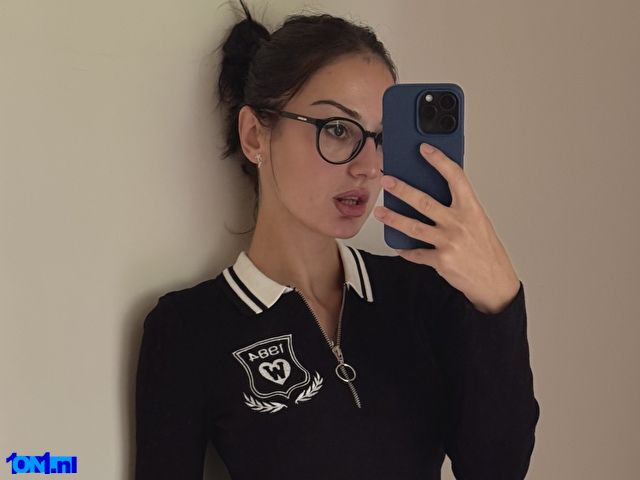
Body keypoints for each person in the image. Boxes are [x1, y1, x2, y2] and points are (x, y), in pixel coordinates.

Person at [134, 1, 540, 479]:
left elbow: (497, 468)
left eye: (382, 138)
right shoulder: (189, 331)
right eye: (339, 130)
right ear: (255, 135)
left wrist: (499, 298)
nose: (368, 166)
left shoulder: (423, 294)